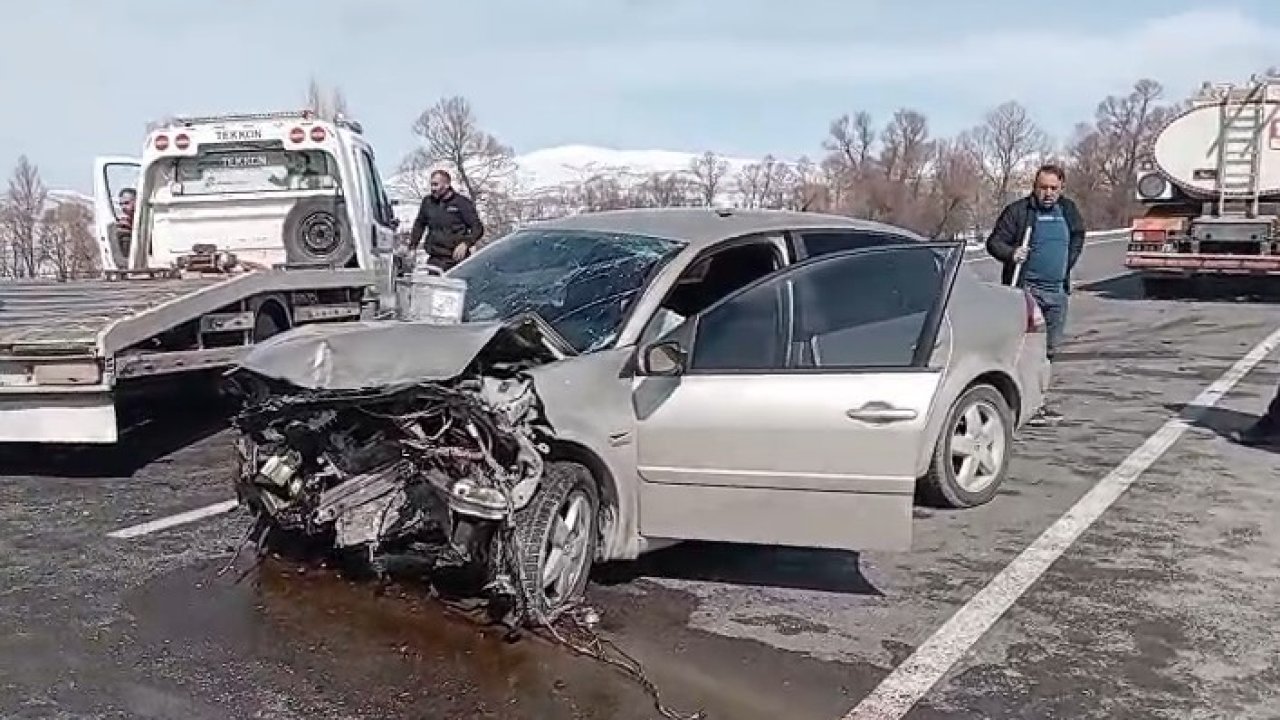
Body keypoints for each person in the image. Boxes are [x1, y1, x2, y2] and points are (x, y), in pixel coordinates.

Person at [985, 163, 1086, 426]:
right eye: (1043, 187)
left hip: (1057, 293)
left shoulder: (1068, 210)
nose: (1048, 193)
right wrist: (1011, 253)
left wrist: (1066, 265)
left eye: (1053, 188)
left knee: (1048, 353)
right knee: (1025, 351)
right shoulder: (1019, 212)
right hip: (1027, 292)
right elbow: (994, 242)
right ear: (1035, 187)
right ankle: (1014, 403)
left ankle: (1038, 404)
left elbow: (1078, 236)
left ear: (1061, 188)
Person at [404, 169, 485, 271]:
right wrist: (412, 247)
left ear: (446, 185)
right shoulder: (428, 202)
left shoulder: (462, 203)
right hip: (435, 259)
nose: (433, 188)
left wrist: (466, 243)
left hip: (457, 260)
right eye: (431, 185)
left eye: (436, 185)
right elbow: (419, 225)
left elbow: (478, 228)